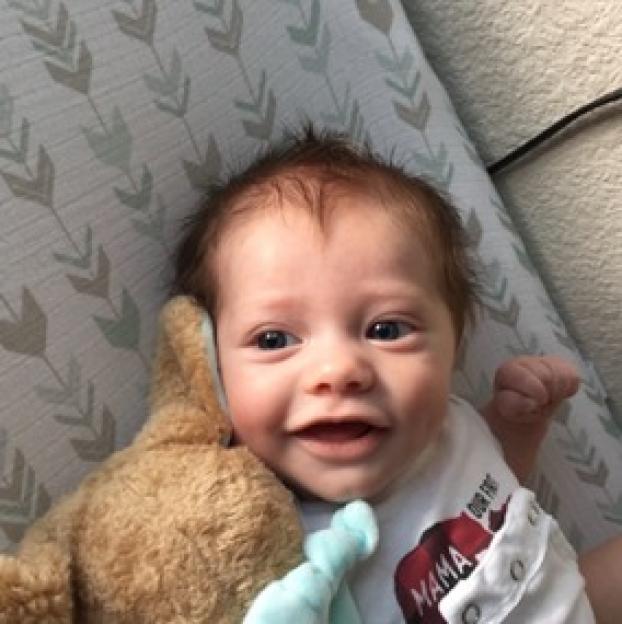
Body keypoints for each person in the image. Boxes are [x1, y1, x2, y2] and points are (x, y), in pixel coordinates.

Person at [172, 128, 618, 622]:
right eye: (274, 340)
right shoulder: (273, 545)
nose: (338, 371)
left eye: (386, 330)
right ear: (208, 367)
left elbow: (499, 474)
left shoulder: (453, 428)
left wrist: (518, 423)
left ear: (454, 346)